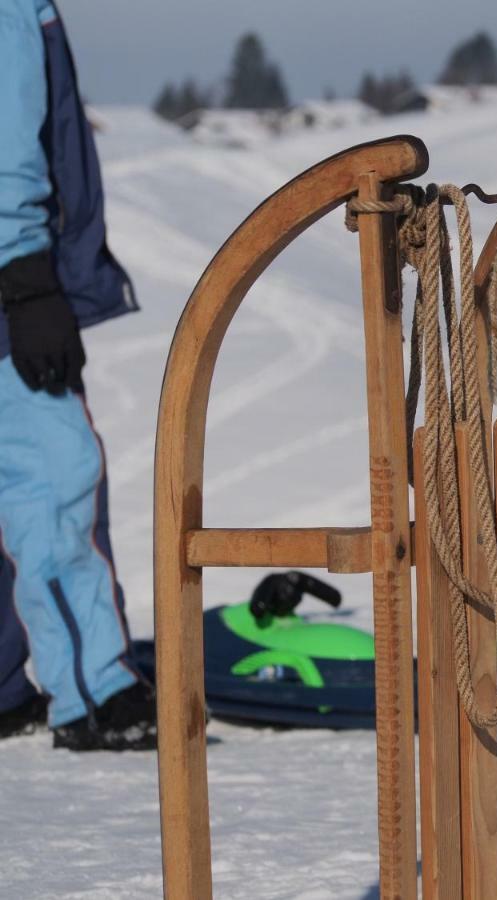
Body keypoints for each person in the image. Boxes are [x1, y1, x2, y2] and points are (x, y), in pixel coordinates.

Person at [0, 0, 154, 750]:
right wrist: (24, 274)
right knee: (53, 479)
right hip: (8, 287)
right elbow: (5, 135)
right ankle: (95, 692)